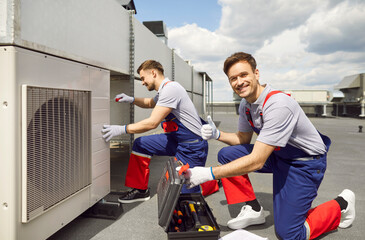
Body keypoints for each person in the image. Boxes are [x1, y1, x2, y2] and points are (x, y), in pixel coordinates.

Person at [181, 52, 356, 239]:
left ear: (256, 73)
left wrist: (209, 174)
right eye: (233, 78)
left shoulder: (278, 105)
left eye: (244, 75)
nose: (239, 82)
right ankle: (253, 210)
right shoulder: (246, 105)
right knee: (227, 154)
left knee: (289, 234)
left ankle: (342, 204)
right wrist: (217, 134)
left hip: (304, 163)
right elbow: (242, 139)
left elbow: (256, 161)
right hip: (278, 156)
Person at [102, 60, 216, 203]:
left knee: (183, 194)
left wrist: (122, 129)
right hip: (175, 140)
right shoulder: (164, 91)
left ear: (154, 73)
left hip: (192, 146)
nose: (142, 82)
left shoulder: (171, 89)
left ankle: (213, 180)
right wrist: (131, 99)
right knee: (141, 144)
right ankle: (140, 190)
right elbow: (150, 103)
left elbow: (152, 123)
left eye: (143, 78)